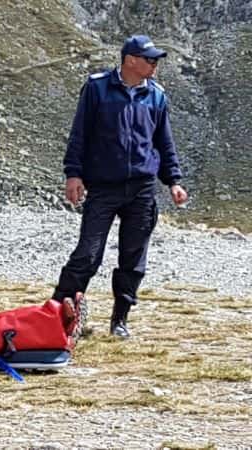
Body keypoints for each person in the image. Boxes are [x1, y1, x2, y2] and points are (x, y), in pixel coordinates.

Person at [51, 35, 188, 339]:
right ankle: (57, 314)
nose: (154, 65)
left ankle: (120, 320)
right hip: (102, 187)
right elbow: (80, 134)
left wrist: (173, 182)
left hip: (142, 189)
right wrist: (73, 175)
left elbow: (164, 142)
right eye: (149, 59)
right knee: (87, 253)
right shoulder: (97, 87)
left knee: (133, 257)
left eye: (155, 60)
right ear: (130, 60)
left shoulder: (156, 96)